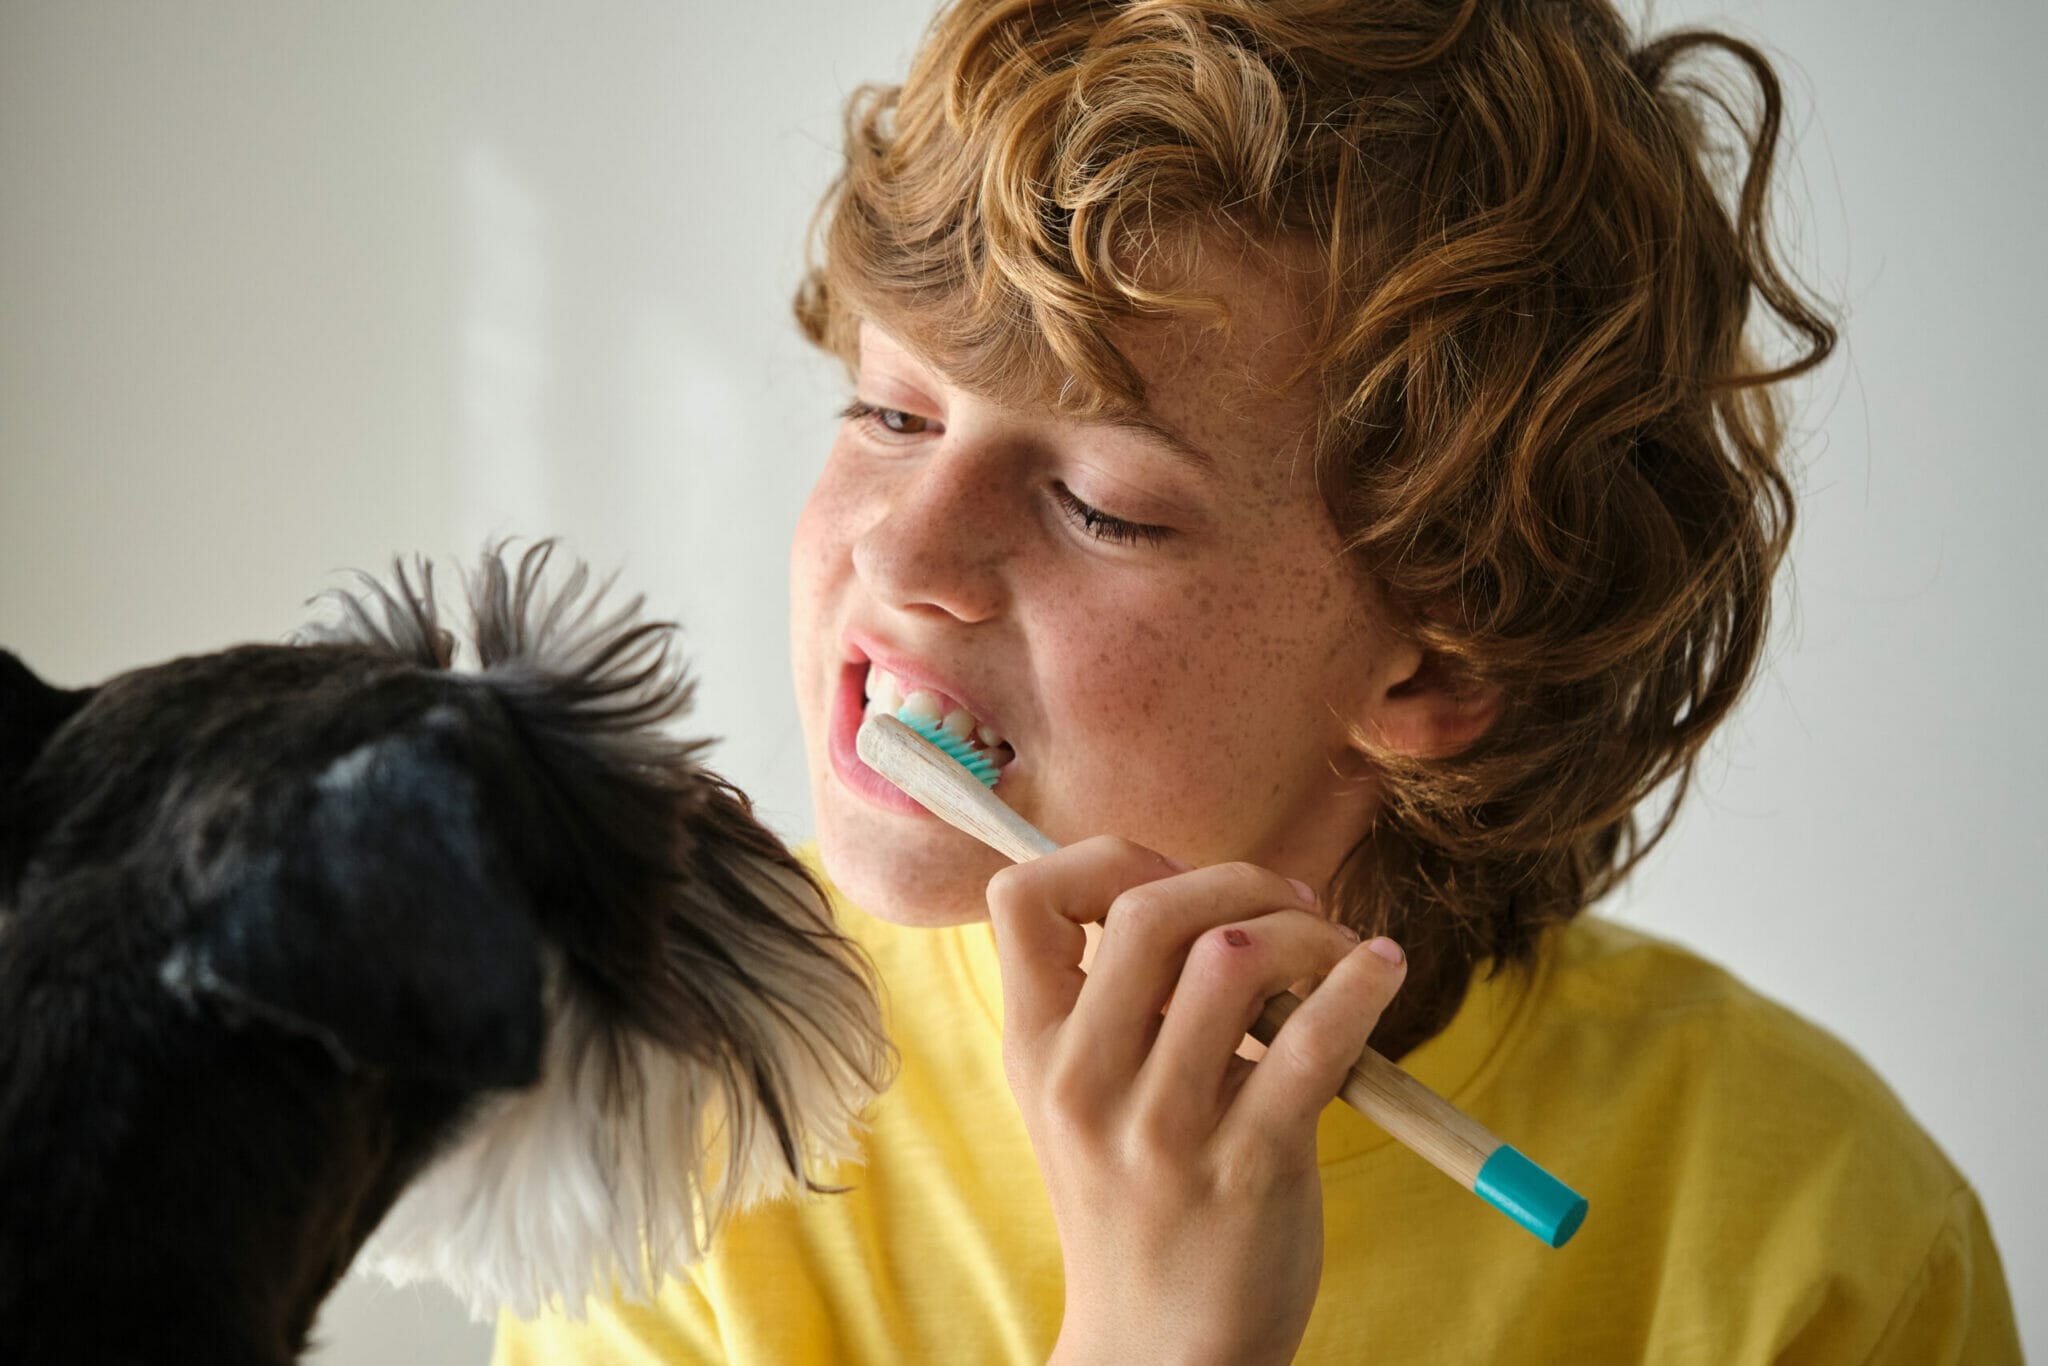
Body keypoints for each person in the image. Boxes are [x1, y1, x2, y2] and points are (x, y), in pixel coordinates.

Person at [496, 0, 2021, 1360]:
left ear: (1433, 662)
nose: (902, 552)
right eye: (890, 413)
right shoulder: (675, 1107)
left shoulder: (1821, 1243)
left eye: (1099, 501)